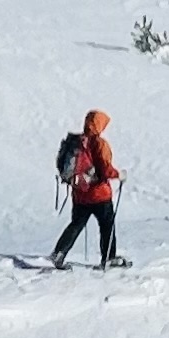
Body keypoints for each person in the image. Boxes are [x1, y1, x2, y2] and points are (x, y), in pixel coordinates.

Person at [53, 108, 123, 269]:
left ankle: (60, 252)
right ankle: (108, 258)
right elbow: (105, 169)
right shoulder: (99, 143)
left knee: (76, 224)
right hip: (99, 194)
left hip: (79, 193)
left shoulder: (75, 142)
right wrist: (119, 175)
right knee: (107, 226)